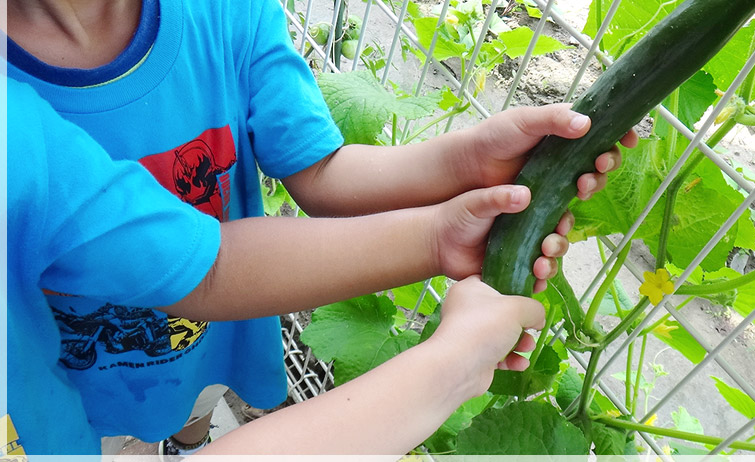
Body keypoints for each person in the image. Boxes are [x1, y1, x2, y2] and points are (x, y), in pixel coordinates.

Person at [3, 0, 638, 455]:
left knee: (192, 410)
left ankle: (188, 431)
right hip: (68, 385)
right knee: (110, 434)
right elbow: (204, 272)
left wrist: (464, 163)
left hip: (208, 339)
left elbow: (313, 177)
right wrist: (449, 355)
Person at [4, 78, 546, 456]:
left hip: (68, 426)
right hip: (81, 399)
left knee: (192, 403)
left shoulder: (20, 137)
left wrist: (438, 233)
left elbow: (206, 270)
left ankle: (181, 440)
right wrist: (448, 368)